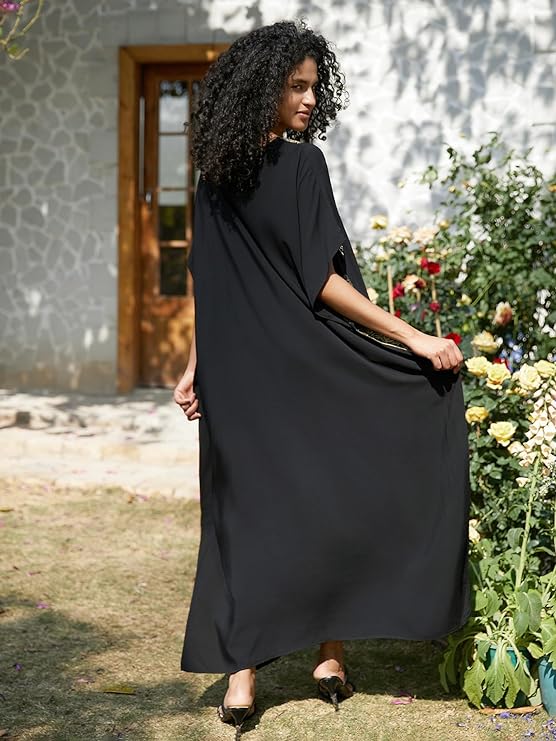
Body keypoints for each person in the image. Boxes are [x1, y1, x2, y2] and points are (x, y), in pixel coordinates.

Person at [174, 19, 471, 739]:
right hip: (256, 369)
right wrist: (195, 363)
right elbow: (256, 277)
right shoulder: (237, 172)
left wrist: (201, 362)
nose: (309, 99)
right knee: (259, 510)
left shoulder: (283, 165)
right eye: (296, 86)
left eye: (314, 87)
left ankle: (327, 652)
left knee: (289, 502)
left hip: (280, 366)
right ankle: (248, 668)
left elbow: (300, 276)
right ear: (263, 88)